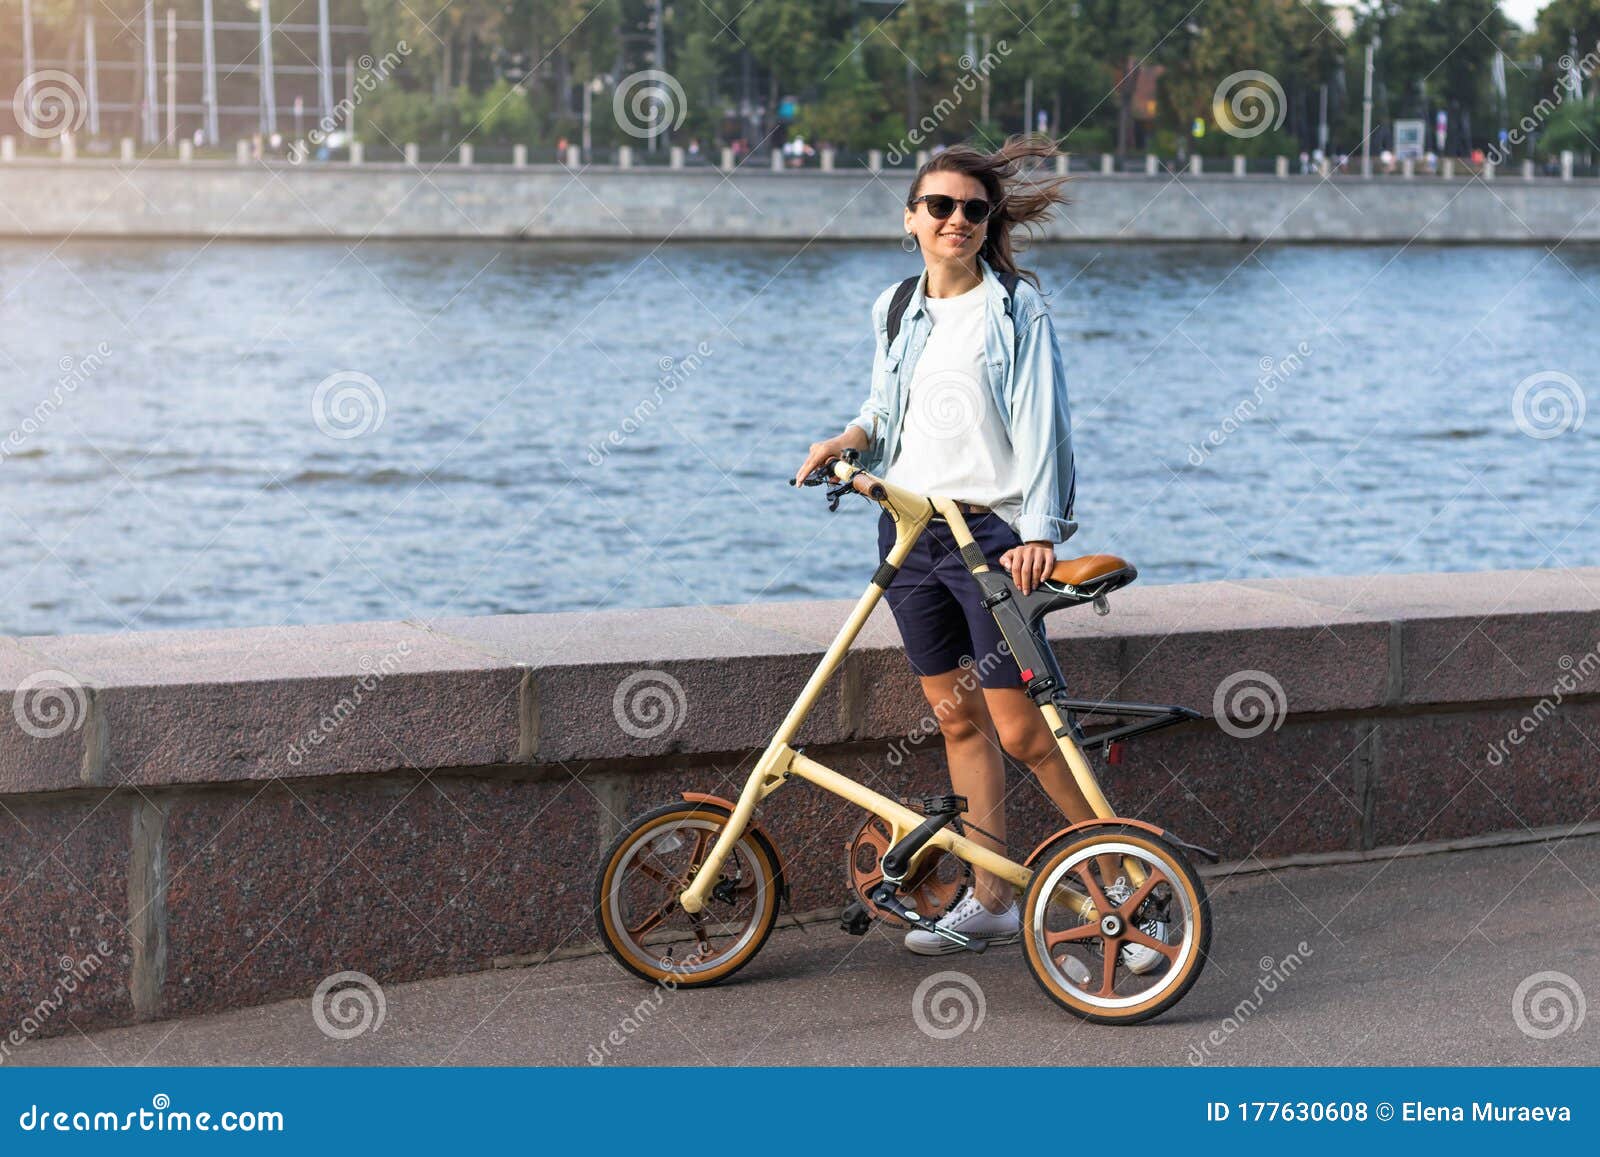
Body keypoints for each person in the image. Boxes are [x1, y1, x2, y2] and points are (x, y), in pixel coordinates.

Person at [792, 135, 1166, 967]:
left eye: (972, 208)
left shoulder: (1015, 307)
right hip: (908, 528)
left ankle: (1127, 893)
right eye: (940, 206)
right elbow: (886, 408)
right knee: (957, 718)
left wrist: (1040, 532)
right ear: (912, 219)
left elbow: (1045, 422)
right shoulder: (895, 306)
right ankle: (991, 899)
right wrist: (849, 437)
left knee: (1025, 731)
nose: (956, 220)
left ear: (987, 221)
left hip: (989, 534)